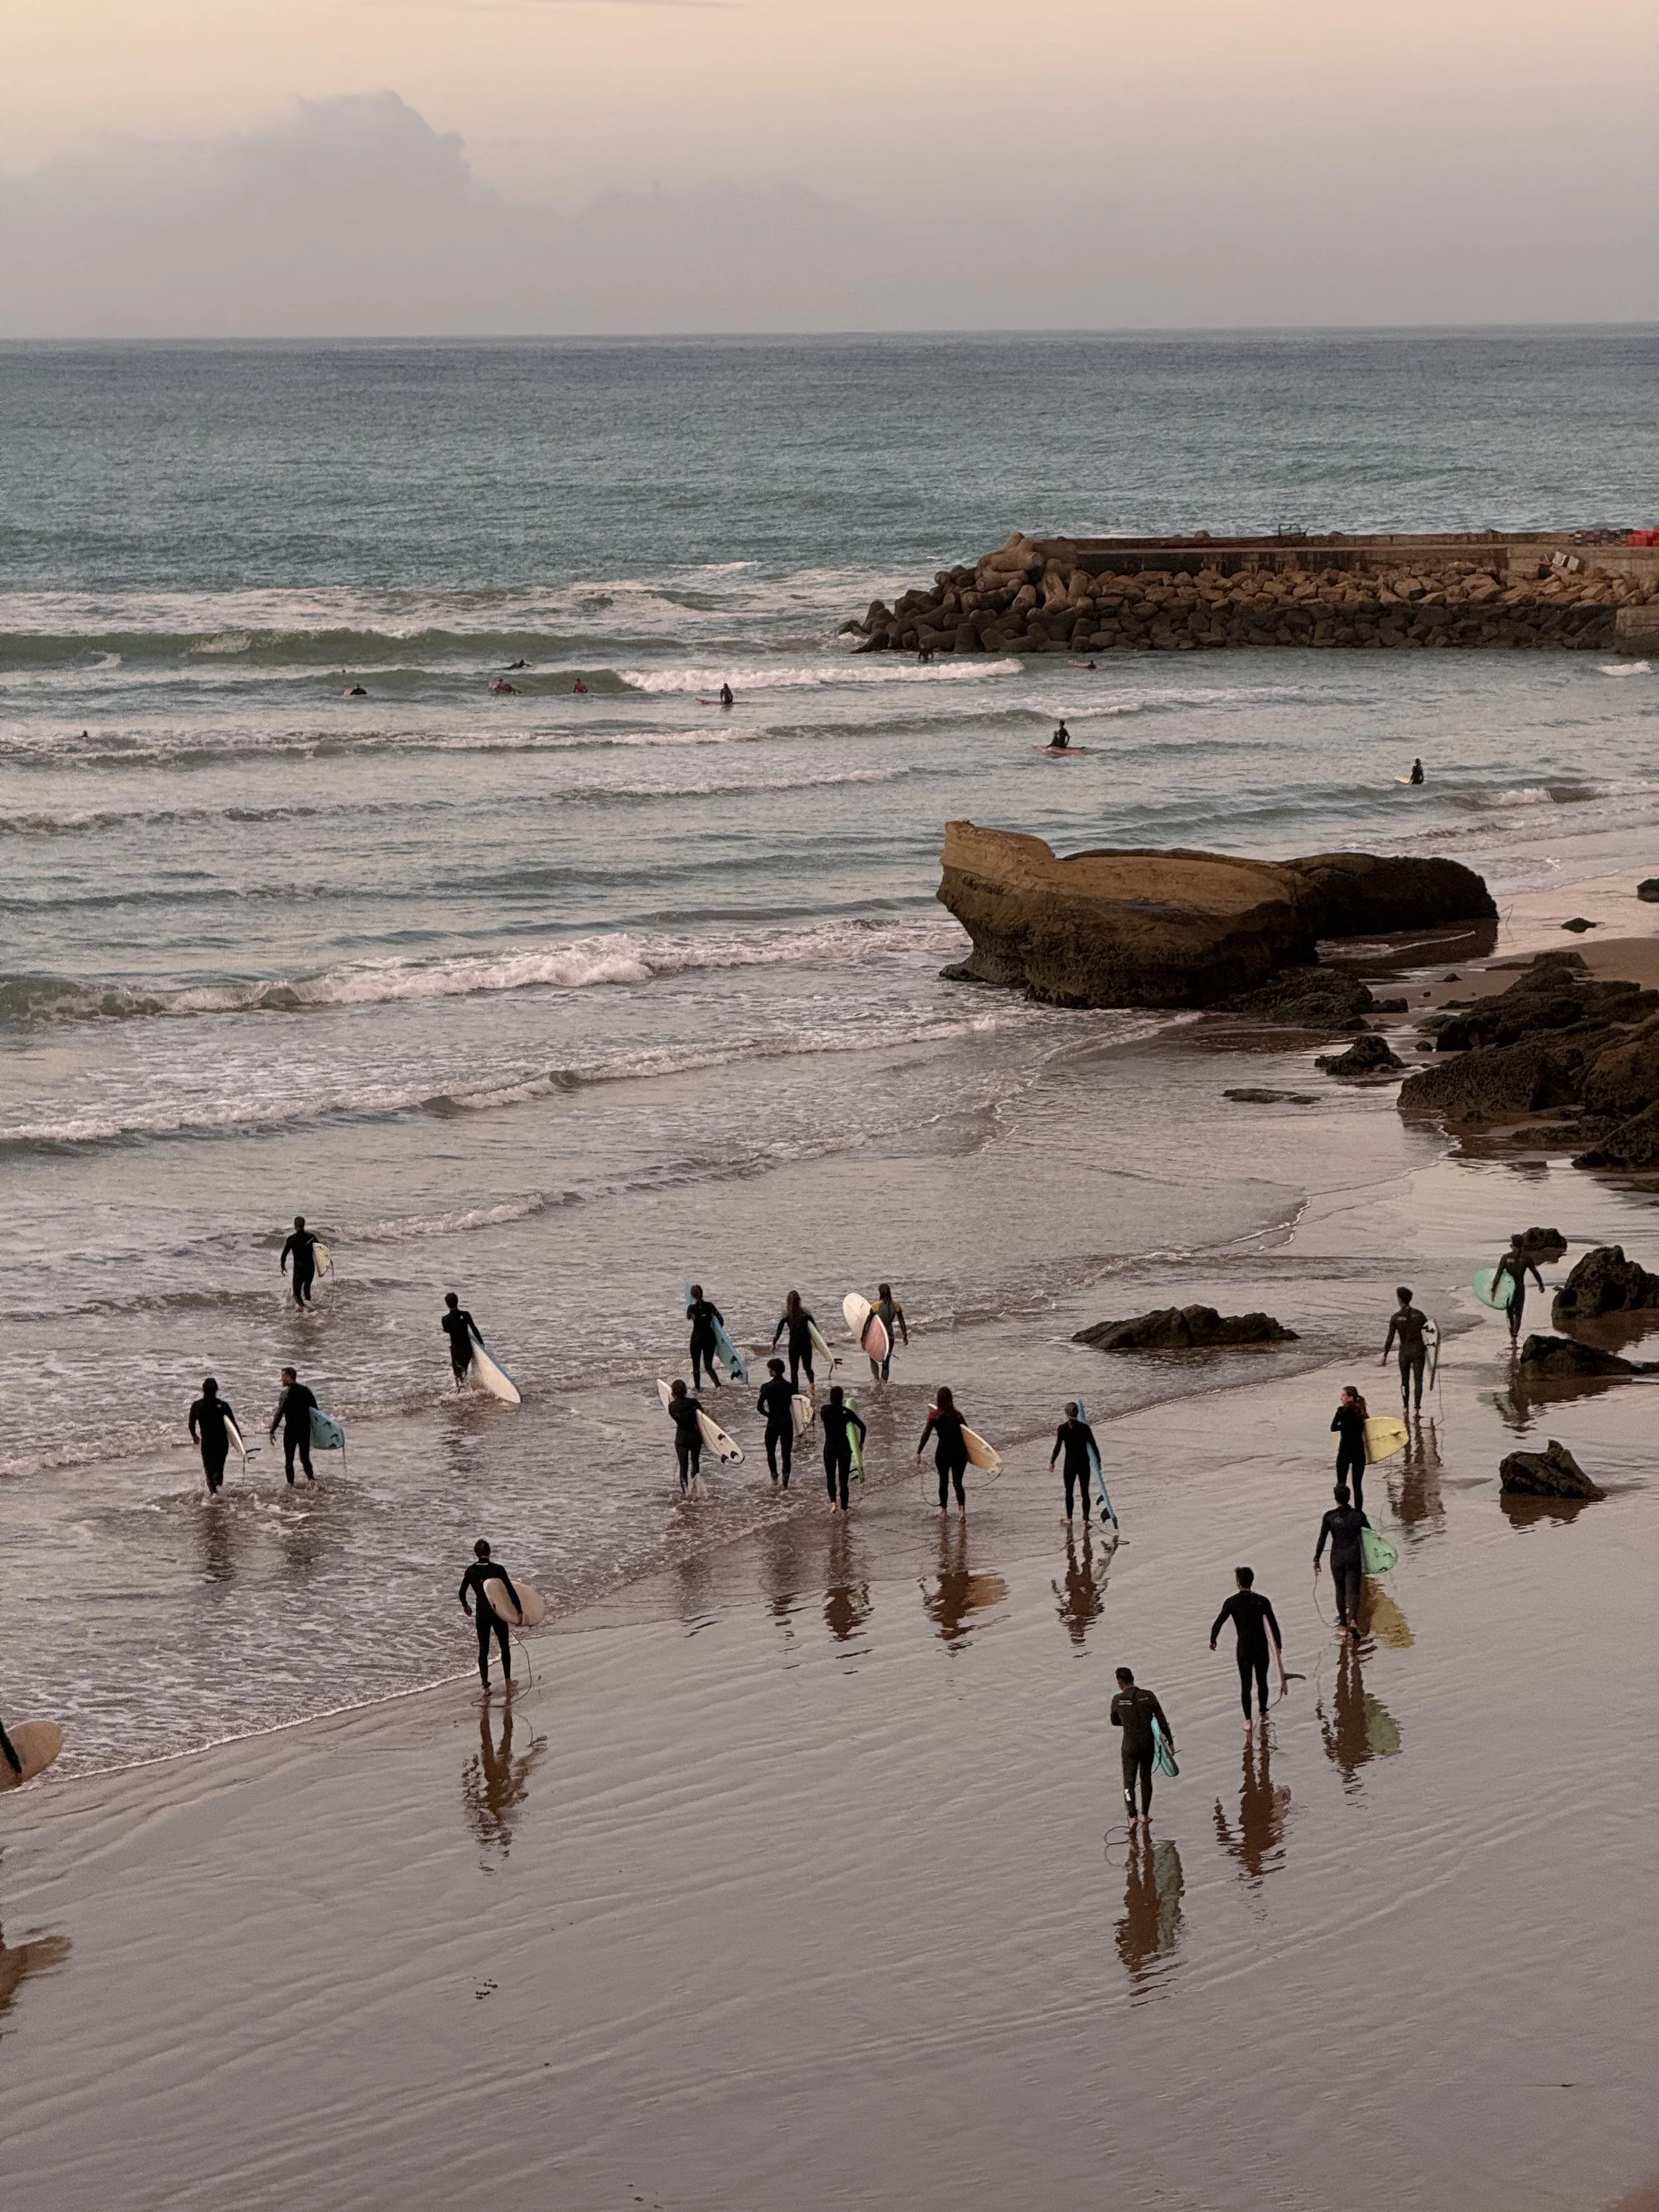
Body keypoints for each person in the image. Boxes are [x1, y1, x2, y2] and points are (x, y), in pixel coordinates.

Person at [1210, 1567, 1284, 1732]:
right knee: (1262, 1680)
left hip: (1244, 1648)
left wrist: (1213, 1639)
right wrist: (1278, 1646)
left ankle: (1248, 1721)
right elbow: (1273, 1625)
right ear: (1251, 1581)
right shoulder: (1262, 1601)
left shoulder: (1231, 1602)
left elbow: (1219, 1622)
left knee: (1246, 1685)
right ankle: (1263, 1713)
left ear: (1238, 1583)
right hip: (1261, 1647)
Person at [1110, 1666, 1175, 1824]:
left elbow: (1114, 1721)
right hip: (1147, 1745)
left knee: (1128, 1784)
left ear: (1119, 1683)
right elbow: (1161, 1719)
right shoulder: (1148, 1696)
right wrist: (1170, 1742)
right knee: (1146, 1778)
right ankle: (1145, 1815)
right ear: (1133, 1679)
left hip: (1129, 1747)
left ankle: (1132, 1815)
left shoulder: (1117, 1700)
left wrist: (1128, 1721)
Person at [459, 1539, 520, 1692]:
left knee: (484, 1649)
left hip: (482, 1615)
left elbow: (461, 1593)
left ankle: (485, 1686)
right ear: (490, 1552)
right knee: (504, 1646)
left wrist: (466, 1606)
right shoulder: (498, 1570)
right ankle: (508, 1681)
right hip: (497, 1613)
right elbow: (510, 1592)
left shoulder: (471, 1571)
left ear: (476, 1553)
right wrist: (518, 1612)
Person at [1314, 1482, 1370, 1635]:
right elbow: (1371, 1536)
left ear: (1335, 1498)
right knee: (1354, 1590)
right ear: (1350, 1497)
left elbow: (1322, 1539)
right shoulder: (1359, 1515)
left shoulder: (1329, 1517)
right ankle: (1353, 1620)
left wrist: (1316, 1559)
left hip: (1337, 1558)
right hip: (1353, 1556)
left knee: (1340, 1590)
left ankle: (1343, 1626)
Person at [917, 1385, 970, 1516]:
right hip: (959, 1454)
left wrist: (919, 1452)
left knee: (943, 1481)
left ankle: (944, 1511)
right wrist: (971, 1454)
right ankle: (961, 1510)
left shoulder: (934, 1416)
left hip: (943, 1455)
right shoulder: (957, 1415)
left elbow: (926, 1435)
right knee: (958, 1483)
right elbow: (968, 1435)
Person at [1049, 1401, 1100, 1526]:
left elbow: (1058, 1447)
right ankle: (1086, 1520)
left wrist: (1052, 1462)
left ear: (1066, 1413)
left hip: (1070, 1464)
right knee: (1085, 1492)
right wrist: (1098, 1461)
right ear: (1078, 1413)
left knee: (1069, 1491)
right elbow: (1094, 1446)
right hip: (1084, 1463)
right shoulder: (1085, 1428)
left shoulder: (1062, 1428)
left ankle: (1069, 1518)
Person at [1382, 1286, 1431, 1412]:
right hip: (1419, 1351)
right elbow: (1429, 1333)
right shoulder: (1420, 1315)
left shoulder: (1396, 1317)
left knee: (1405, 1380)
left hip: (1405, 1352)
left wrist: (1385, 1355)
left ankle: (1405, 1406)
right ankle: (1417, 1406)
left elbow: (1390, 1338)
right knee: (1418, 1380)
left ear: (1400, 1299)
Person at [187, 1376, 238, 1495]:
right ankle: (218, 1492)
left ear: (203, 1390)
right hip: (222, 1443)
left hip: (208, 1443)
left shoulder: (197, 1406)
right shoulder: (223, 1406)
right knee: (219, 1470)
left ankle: (214, 1496)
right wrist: (238, 1442)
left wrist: (194, 1436)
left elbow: (191, 1424)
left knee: (209, 1472)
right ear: (216, 1390)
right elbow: (233, 1426)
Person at [820, 1385, 866, 1513]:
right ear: (842, 1398)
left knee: (830, 1477)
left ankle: (833, 1503)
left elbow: (823, 1419)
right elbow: (863, 1427)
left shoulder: (824, 1410)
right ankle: (844, 1509)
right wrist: (860, 1444)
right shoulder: (847, 1412)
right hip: (844, 1447)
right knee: (844, 1481)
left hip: (830, 1447)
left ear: (830, 1397)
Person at [269, 1366, 318, 1485]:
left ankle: (291, 1485)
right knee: (305, 1458)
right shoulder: (306, 1390)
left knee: (289, 1460)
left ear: (289, 1377)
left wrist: (272, 1430)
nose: (281, 1379)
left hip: (291, 1431)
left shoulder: (286, 1393)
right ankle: (311, 1480)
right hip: (305, 1429)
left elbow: (279, 1413)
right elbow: (315, 1411)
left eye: (283, 1377)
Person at [1493, 1234, 1544, 1345]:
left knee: (1510, 1313)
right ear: (1523, 1245)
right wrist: (1541, 1284)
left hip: (1509, 1289)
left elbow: (1498, 1275)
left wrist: (1494, 1289)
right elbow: (1535, 1272)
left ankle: (1512, 1336)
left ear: (1512, 1245)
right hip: (1520, 1288)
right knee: (1518, 1314)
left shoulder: (1506, 1258)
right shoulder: (1527, 1258)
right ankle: (1515, 1335)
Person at [756, 1358, 796, 1487]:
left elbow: (760, 1407)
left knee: (771, 1452)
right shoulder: (791, 1387)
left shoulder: (766, 1387)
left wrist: (769, 1415)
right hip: (787, 1423)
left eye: (769, 1369)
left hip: (773, 1423)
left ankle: (774, 1478)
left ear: (773, 1372)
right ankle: (786, 1483)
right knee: (786, 1454)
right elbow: (800, 1407)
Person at [1331, 1383, 1369, 1511]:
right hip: (1359, 1452)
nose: (1341, 1398)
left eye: (1343, 1395)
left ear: (1350, 1398)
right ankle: (1359, 1513)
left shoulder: (1342, 1412)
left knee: (1341, 1484)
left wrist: (1343, 1424)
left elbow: (1333, 1428)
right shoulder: (1361, 1412)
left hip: (1345, 1452)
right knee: (1357, 1486)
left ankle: (1342, 1510)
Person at [772, 1291, 818, 1394]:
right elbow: (816, 1332)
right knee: (808, 1368)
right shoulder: (806, 1314)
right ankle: (811, 1385)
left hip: (794, 1346)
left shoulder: (786, 1315)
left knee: (794, 1370)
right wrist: (821, 1346)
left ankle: (795, 1392)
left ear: (788, 1301)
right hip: (806, 1345)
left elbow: (779, 1330)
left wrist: (774, 1343)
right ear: (799, 1301)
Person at [664, 1378, 704, 1495]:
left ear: (673, 1392)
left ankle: (686, 1494)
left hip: (682, 1438)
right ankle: (696, 1490)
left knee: (684, 1467)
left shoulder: (671, 1407)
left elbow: (679, 1418)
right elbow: (703, 1418)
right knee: (695, 1462)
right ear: (685, 1391)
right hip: (695, 1437)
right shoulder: (694, 1403)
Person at [686, 1284, 725, 1390]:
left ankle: (698, 1390)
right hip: (709, 1338)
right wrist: (718, 1332)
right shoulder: (710, 1306)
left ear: (693, 1296)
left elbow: (688, 1317)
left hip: (697, 1339)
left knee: (696, 1367)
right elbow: (721, 1320)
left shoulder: (691, 1308)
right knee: (708, 1367)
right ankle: (718, 1386)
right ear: (702, 1293)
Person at [441, 1291, 481, 1386]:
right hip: (467, 1350)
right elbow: (474, 1329)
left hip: (456, 1351)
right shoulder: (466, 1315)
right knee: (464, 1371)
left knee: (458, 1376)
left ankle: (462, 1394)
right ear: (457, 1302)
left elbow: (446, 1330)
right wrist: (481, 1343)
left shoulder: (445, 1319)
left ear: (447, 1304)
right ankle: (468, 1391)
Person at [869, 1283, 908, 1381]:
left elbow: (867, 1323)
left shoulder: (876, 1306)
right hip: (890, 1336)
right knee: (886, 1361)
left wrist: (864, 1337)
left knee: (873, 1357)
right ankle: (884, 1384)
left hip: (878, 1336)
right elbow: (902, 1321)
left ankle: (876, 1379)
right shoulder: (896, 1305)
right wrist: (905, 1336)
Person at [280, 1215, 319, 1307]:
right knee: (307, 1289)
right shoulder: (311, 1237)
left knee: (296, 1294)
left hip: (299, 1269)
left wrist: (282, 1266)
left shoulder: (292, 1239)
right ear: (304, 1225)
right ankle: (309, 1308)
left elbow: (284, 1254)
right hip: (310, 1268)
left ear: (295, 1226)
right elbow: (321, 1250)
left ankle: (304, 1310)